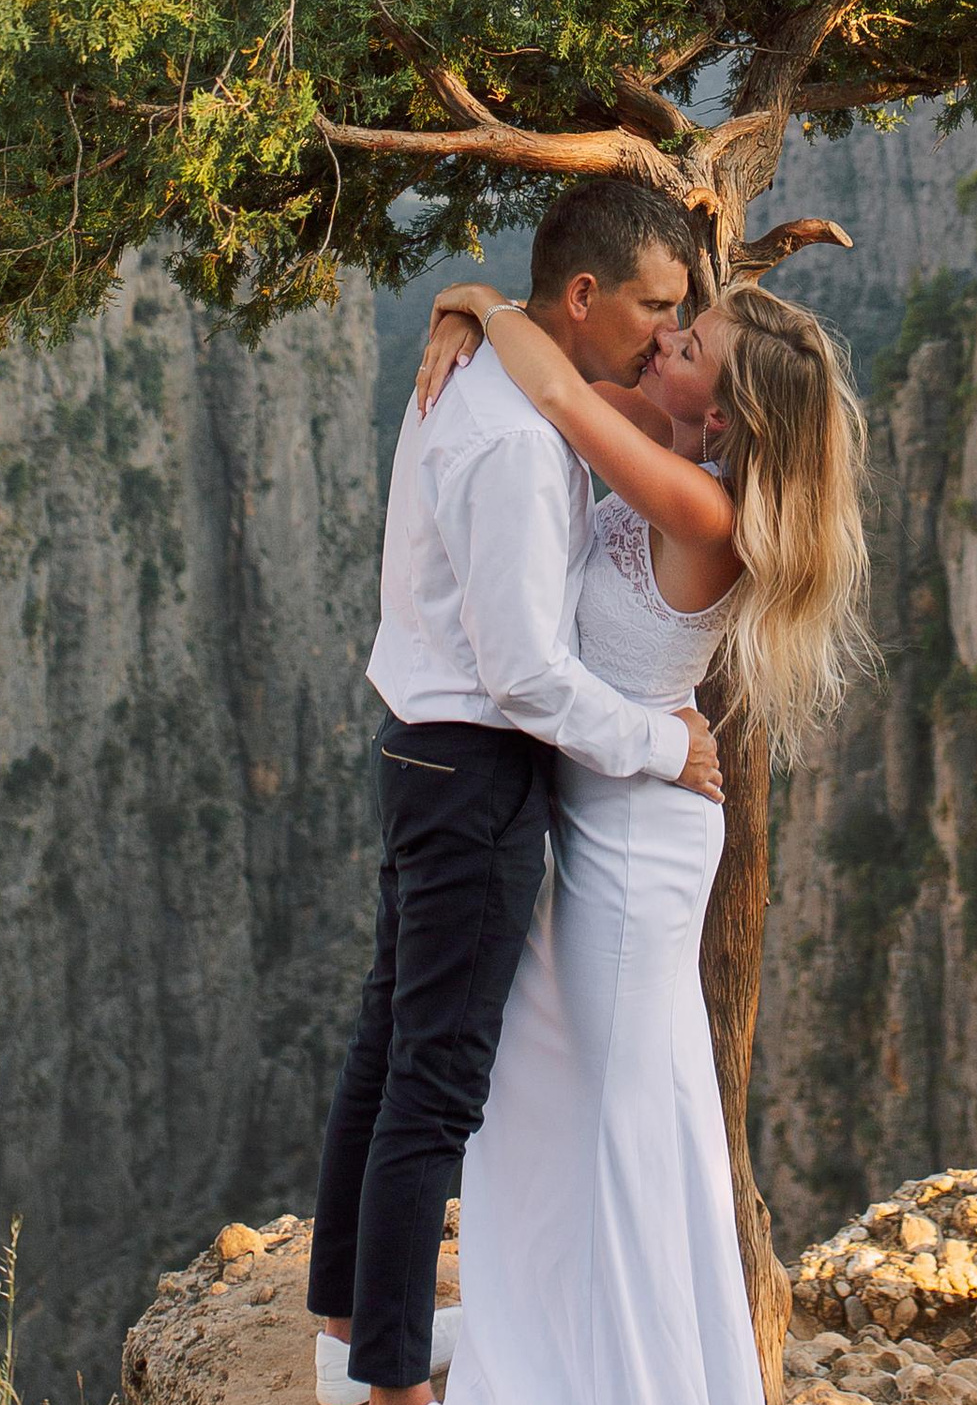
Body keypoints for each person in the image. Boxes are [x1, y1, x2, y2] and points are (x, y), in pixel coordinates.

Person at [410, 256, 872, 1405]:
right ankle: (574, 1354)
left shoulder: (704, 505)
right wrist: (463, 299)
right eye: (672, 325)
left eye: (687, 344)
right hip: (606, 807)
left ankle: (633, 1377)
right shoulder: (674, 443)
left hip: (634, 842)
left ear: (718, 412)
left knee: (617, 1121)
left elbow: (558, 392)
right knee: (561, 1103)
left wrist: (487, 306)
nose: (661, 341)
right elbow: (555, 362)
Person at [306, 180, 726, 1405]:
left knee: (388, 1046)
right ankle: (387, 1382)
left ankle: (345, 1325)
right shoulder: (515, 447)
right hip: (476, 769)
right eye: (657, 306)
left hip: (422, 745)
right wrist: (665, 746)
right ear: (584, 297)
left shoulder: (492, 386)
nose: (666, 331)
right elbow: (530, 677)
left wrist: (479, 303)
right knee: (433, 1081)